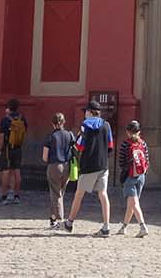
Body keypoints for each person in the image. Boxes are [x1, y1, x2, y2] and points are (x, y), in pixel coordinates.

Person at [62, 99, 114, 234]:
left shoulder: (85, 125)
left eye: (85, 111)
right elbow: (110, 145)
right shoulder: (107, 125)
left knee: (79, 194)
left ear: (90, 112)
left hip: (89, 165)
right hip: (103, 165)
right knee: (103, 194)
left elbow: (79, 146)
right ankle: (106, 226)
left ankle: (69, 223)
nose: (84, 114)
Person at [115, 119, 150, 236]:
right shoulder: (143, 144)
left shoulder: (125, 144)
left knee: (134, 203)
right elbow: (147, 160)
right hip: (141, 176)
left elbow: (121, 162)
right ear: (139, 131)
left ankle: (142, 226)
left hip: (130, 176)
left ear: (128, 132)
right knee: (132, 203)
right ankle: (124, 227)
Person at [42, 112, 76, 229]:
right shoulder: (70, 135)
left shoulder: (50, 136)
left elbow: (45, 157)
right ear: (64, 122)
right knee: (59, 193)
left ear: (53, 123)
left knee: (56, 194)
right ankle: (53, 219)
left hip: (54, 166)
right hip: (67, 166)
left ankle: (60, 221)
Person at [0, 97, 27, 204]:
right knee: (17, 171)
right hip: (18, 147)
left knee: (5, 171)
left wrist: (0, 148)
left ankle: (4, 194)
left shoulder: (5, 120)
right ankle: (16, 195)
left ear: (8, 108)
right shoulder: (22, 118)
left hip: (7, 148)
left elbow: (1, 135)